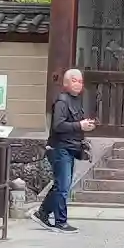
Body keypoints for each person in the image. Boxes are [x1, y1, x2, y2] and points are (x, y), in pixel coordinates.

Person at [31, 68, 95, 234]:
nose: (78, 84)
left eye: (80, 81)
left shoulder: (77, 101)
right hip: (60, 148)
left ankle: (42, 213)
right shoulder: (62, 101)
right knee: (63, 187)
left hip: (71, 147)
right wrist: (79, 125)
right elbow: (58, 125)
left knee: (61, 185)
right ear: (66, 83)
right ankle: (61, 221)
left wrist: (84, 126)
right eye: (74, 80)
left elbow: (73, 124)